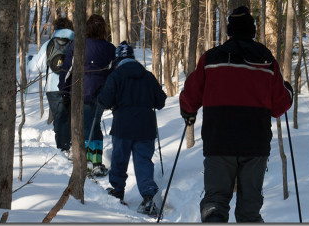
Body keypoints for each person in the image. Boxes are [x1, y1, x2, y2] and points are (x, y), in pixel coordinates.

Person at [179, 6, 293, 223]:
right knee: (249, 210)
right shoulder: (267, 60)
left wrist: (188, 112)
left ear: (230, 30)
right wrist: (289, 91)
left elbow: (190, 95)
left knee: (215, 204)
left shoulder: (212, 59)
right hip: (255, 144)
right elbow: (280, 105)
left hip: (219, 141)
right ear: (252, 30)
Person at [97, 41, 167, 216]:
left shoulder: (116, 75)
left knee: (119, 160)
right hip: (146, 127)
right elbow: (161, 101)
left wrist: (100, 95)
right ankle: (148, 198)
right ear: (133, 58)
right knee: (143, 161)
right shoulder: (148, 76)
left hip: (123, 126)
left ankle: (117, 191)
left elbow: (105, 101)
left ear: (118, 59)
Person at [59, 14, 116, 176]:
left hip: (80, 92)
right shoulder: (109, 48)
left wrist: (64, 92)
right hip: (100, 94)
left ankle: (87, 161)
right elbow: (113, 74)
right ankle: (94, 161)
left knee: (85, 125)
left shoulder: (78, 45)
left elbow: (66, 70)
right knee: (94, 124)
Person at [28, 17, 74, 154]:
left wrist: (29, 60)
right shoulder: (76, 42)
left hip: (53, 88)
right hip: (73, 86)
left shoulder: (49, 44)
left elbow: (36, 66)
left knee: (59, 120)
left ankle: (63, 149)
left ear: (55, 29)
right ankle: (72, 147)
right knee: (72, 118)